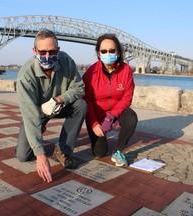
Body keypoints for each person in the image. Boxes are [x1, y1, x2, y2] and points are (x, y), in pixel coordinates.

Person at [16, 29, 87, 182]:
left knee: (81, 105)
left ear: (58, 50)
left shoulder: (66, 61)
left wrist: (59, 99)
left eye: (52, 51)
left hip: (59, 106)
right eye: (42, 52)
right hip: (37, 112)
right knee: (23, 156)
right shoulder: (25, 76)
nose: (48, 56)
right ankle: (39, 131)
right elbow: (29, 114)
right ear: (34, 51)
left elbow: (79, 88)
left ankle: (63, 149)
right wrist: (40, 155)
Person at [82, 33, 138, 167]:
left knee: (131, 117)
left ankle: (118, 151)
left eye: (112, 50)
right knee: (99, 153)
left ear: (118, 52)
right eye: (104, 51)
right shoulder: (91, 72)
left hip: (115, 114)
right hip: (97, 115)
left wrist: (112, 116)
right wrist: (94, 123)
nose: (108, 53)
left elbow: (127, 97)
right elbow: (86, 100)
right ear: (98, 53)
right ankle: (101, 136)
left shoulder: (126, 70)